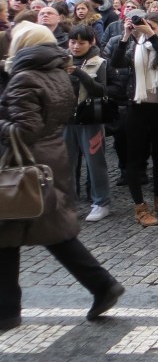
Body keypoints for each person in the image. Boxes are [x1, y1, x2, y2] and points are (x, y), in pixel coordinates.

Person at [0, 23, 124, 330]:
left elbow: (25, 130)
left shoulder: (25, 77)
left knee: (14, 231)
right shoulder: (57, 72)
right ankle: (101, 285)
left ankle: (7, 310)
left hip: (27, 161)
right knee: (49, 231)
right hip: (51, 155)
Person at [110, 12, 158, 227]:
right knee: (135, 157)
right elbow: (115, 62)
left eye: (152, 26)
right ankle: (140, 207)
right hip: (137, 107)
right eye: (144, 26)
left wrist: (151, 35)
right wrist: (126, 35)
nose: (145, 29)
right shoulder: (134, 46)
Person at [64, 24, 113, 222]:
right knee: (66, 164)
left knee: (95, 163)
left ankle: (101, 202)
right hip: (66, 120)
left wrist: (79, 73)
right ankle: (68, 204)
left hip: (90, 119)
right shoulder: (60, 60)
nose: (76, 46)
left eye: (81, 43)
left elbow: (101, 90)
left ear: (90, 42)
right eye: (72, 42)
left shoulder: (99, 62)